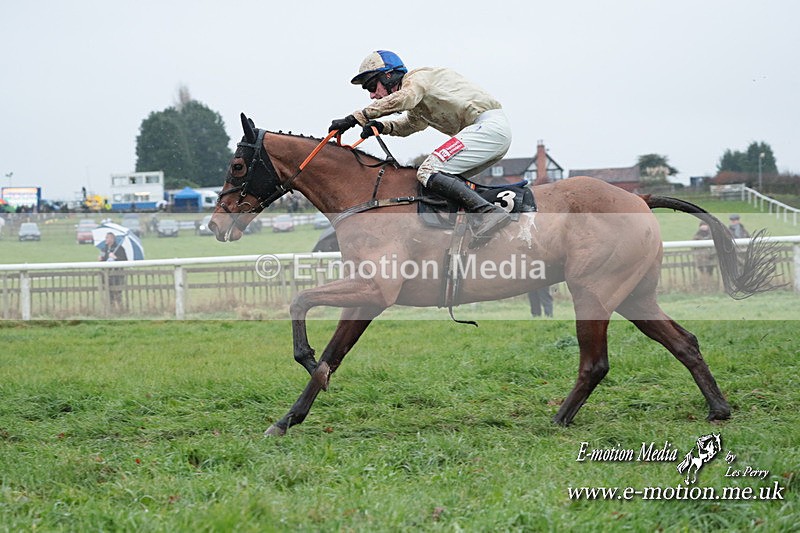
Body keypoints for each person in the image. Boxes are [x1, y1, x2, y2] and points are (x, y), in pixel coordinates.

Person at [329, 50, 513, 242]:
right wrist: (382, 126)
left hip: (487, 127)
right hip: (487, 132)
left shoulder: (418, 78)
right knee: (438, 181)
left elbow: (404, 98)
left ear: (388, 76)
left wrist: (356, 117)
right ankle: (468, 225)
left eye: (373, 86)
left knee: (427, 170)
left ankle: (488, 212)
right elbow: (411, 124)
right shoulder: (418, 99)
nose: (372, 95)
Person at [98, 232, 127, 309]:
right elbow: (102, 261)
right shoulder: (103, 249)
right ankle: (111, 308)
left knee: (118, 292)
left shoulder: (120, 249)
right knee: (109, 293)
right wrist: (101, 260)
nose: (106, 239)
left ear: (112, 239)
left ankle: (120, 308)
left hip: (117, 275)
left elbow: (125, 260)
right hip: (107, 274)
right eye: (106, 237)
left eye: (107, 238)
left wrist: (115, 257)